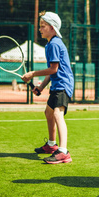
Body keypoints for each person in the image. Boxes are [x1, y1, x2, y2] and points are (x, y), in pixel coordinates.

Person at [22, 11, 74, 164]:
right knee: (48, 112)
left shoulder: (54, 44)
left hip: (63, 85)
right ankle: (52, 145)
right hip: (58, 84)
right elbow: (52, 71)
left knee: (58, 114)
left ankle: (63, 152)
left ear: (52, 28)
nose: (40, 29)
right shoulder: (51, 44)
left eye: (43, 26)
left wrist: (32, 74)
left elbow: (54, 69)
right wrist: (41, 86)